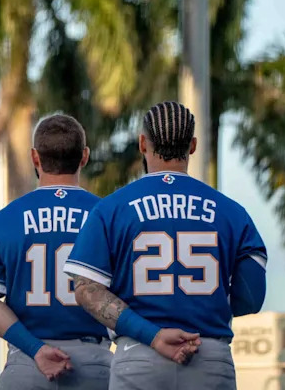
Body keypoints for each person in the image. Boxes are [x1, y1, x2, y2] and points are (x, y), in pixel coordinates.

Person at [65, 101, 268, 390]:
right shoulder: (232, 212)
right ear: (193, 145)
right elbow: (250, 298)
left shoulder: (112, 209)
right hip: (208, 355)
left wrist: (152, 335)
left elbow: (86, 290)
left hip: (138, 356)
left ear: (142, 143)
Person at [0, 113, 111, 388]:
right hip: (93, 360)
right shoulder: (109, 217)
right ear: (84, 157)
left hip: (27, 361)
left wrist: (34, 349)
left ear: (35, 158)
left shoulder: (1, 222)